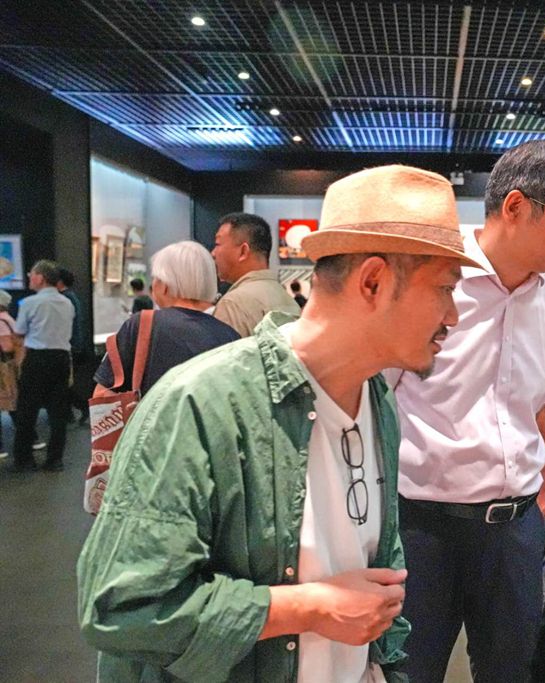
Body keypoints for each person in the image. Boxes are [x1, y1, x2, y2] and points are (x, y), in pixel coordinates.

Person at [77, 165, 482, 682]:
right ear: (373, 281)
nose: (453, 316)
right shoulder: (200, 403)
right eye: (445, 288)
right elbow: (121, 608)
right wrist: (307, 607)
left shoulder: (377, 399)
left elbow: (378, 584)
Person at [390, 139, 545, 682]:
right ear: (515, 206)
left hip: (514, 531)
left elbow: (542, 406)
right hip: (424, 530)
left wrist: (544, 488)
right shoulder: (435, 277)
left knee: (512, 671)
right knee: (410, 671)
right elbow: (376, 397)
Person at [93, 241, 240, 397]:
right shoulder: (230, 336)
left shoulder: (142, 324)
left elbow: (101, 395)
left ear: (165, 285)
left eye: (155, 278)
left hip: (148, 413)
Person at [10, 260, 74, 472]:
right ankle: (55, 459)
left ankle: (24, 459)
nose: (30, 277)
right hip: (61, 358)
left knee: (27, 409)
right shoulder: (67, 303)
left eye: (32, 274)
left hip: (37, 358)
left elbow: (19, 331)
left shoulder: (30, 303)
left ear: (41, 278)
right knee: (58, 411)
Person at [211, 212, 300, 336]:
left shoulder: (233, 304)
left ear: (243, 251)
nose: (213, 253)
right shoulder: (288, 300)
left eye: (217, 244)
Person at [57, 268, 90, 424]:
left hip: (70, 346)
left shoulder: (65, 299)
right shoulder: (70, 297)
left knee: (64, 383)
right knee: (64, 383)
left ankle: (82, 407)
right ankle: (71, 411)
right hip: (73, 344)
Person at [0, 289, 18, 459]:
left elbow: (6, 347)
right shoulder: (9, 319)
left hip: (3, 368)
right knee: (13, 403)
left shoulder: (1, 321)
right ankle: (31, 437)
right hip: (10, 367)